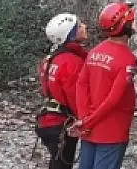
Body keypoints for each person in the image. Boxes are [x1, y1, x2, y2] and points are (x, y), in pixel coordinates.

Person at [75, 1, 137, 169]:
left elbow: (81, 85)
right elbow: (113, 100)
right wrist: (88, 123)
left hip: (89, 128)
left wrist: (84, 120)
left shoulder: (95, 51)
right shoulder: (127, 58)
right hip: (112, 131)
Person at [36, 13, 89, 169]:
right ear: (70, 35)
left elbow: (46, 90)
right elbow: (76, 97)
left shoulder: (51, 58)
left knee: (57, 162)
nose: (84, 26)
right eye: (79, 26)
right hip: (62, 124)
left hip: (48, 119)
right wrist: (85, 121)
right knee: (62, 164)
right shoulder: (72, 62)